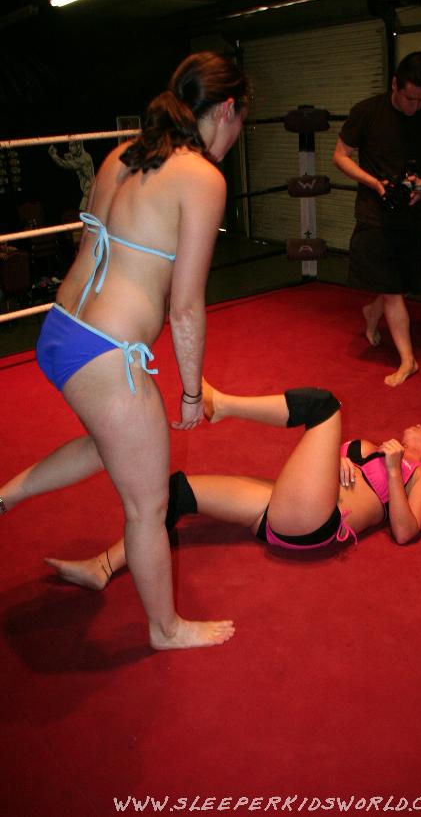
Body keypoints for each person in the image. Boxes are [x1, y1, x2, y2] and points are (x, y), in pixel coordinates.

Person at [1, 52, 251, 650]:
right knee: (147, 506)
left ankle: (4, 495)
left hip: (61, 330)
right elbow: (185, 305)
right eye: (242, 120)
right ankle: (166, 628)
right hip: (108, 351)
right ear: (227, 110)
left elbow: (91, 244)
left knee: (109, 442)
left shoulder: (122, 154)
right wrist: (190, 391)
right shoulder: (203, 177)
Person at [12, 380, 421, 592]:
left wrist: (396, 469)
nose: (418, 424)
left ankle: (224, 404)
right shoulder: (372, 446)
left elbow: (404, 531)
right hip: (285, 505)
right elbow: (325, 461)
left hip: (319, 524)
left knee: (324, 406)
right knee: (177, 492)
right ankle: (102, 567)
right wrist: (345, 460)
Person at [333, 51, 421, 387]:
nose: (415, 107)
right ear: (394, 84)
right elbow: (340, 156)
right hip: (376, 213)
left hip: (417, 212)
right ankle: (408, 360)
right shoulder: (367, 111)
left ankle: (371, 312)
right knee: (392, 288)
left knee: (402, 283)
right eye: (409, 98)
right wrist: (374, 183)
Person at [48, 140, 95, 210]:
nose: (69, 148)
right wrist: (70, 157)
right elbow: (73, 159)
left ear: (78, 146)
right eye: (69, 146)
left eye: (72, 146)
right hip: (90, 191)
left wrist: (54, 156)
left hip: (89, 193)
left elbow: (64, 164)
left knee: (83, 212)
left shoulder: (83, 160)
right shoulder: (86, 155)